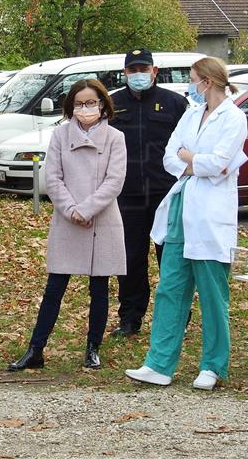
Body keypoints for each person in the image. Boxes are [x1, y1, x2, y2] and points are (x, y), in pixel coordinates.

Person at [126, 57, 247, 391]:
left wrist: (189, 158)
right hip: (182, 206)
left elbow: (220, 163)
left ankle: (213, 366)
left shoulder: (233, 118)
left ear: (207, 81)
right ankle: (159, 363)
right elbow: (169, 155)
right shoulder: (192, 114)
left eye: (194, 79)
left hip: (210, 214)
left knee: (211, 292)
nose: (191, 85)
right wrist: (193, 163)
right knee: (170, 288)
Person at [8, 79, 126, 372]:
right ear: (70, 106)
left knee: (99, 287)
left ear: (102, 104)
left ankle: (93, 348)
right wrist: (72, 210)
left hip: (101, 219)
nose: (85, 109)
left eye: (91, 102)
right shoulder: (60, 135)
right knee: (55, 286)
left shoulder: (115, 138)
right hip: (67, 217)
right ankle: (36, 349)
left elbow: (115, 181)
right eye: (79, 103)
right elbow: (53, 176)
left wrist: (87, 209)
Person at [109, 48, 189, 336]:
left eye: (144, 69)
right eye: (133, 70)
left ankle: (176, 317)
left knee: (170, 258)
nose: (138, 75)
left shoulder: (175, 103)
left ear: (154, 71)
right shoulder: (113, 103)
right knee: (130, 259)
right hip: (126, 195)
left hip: (165, 195)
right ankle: (130, 318)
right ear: (125, 73)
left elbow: (189, 145)